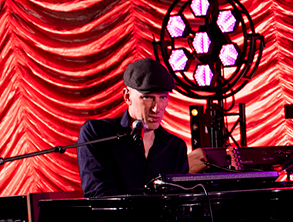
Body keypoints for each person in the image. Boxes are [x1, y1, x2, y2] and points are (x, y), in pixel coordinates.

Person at [77, 58, 203, 197]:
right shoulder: (97, 134)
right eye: (148, 97)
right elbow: (100, 195)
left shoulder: (175, 147)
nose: (156, 109)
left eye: (162, 98)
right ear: (127, 96)